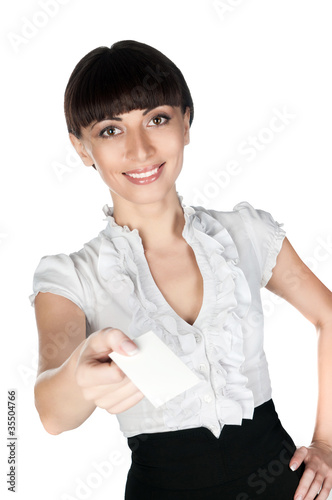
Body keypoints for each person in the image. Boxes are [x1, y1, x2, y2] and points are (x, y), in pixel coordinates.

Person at [29, 40, 332, 500]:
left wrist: (327, 443)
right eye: (111, 130)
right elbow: (52, 414)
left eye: (157, 119)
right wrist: (79, 374)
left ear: (186, 122)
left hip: (281, 485)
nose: (140, 149)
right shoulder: (72, 277)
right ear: (81, 148)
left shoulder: (246, 235)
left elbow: (328, 317)